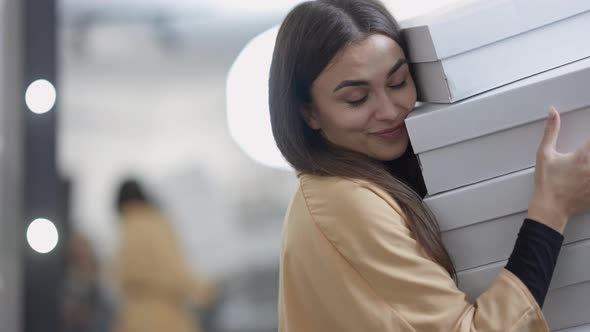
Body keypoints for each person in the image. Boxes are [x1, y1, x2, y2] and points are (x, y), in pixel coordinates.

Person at [268, 0, 590, 331]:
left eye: (398, 82)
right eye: (357, 98)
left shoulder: (355, 183)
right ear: (308, 113)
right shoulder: (344, 203)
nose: (390, 111)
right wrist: (552, 208)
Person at [112, 179, 217, 332]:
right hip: (164, 316)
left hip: (131, 318)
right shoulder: (154, 223)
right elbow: (173, 268)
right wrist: (206, 291)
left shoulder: (124, 231)